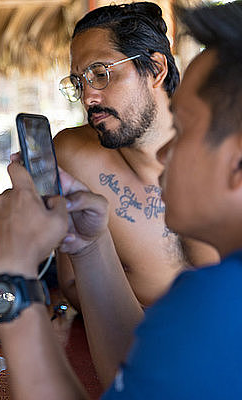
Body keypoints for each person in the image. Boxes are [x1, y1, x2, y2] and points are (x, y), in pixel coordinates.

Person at [0, 2, 242, 398]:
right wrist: (90, 247)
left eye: (183, 129)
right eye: (80, 82)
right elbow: (134, 376)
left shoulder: (216, 301)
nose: (166, 155)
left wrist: (8, 281)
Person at [53, 2, 219, 309]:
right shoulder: (74, 155)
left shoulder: (225, 150)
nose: (88, 96)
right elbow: (73, 284)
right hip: (132, 349)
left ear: (155, 69)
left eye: (100, 73)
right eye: (79, 82)